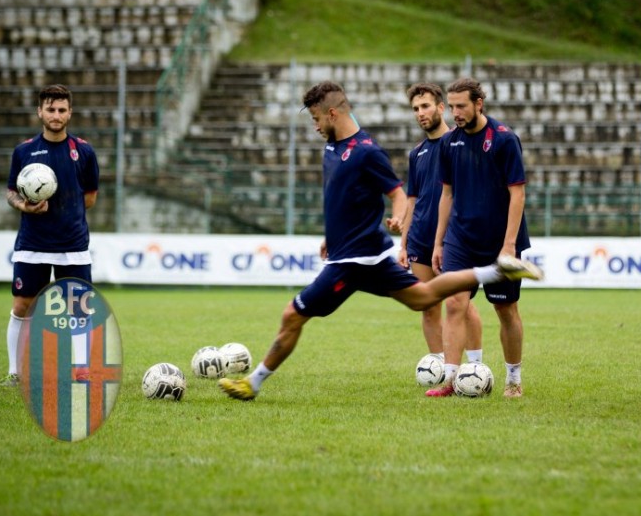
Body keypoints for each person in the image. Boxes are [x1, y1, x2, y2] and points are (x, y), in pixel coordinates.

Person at [218, 81, 543, 401]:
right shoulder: (336, 148)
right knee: (432, 300)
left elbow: (400, 194)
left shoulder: (369, 152)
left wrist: (403, 218)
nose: (315, 127)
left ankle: (253, 383)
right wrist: (335, 237)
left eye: (316, 119)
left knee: (293, 314)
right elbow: (347, 199)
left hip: (358, 260)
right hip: (386, 250)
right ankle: (483, 300)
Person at [427, 78, 532, 399]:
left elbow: (518, 193)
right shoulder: (449, 143)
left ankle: (513, 379)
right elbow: (446, 194)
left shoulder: (504, 140)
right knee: (455, 303)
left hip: (500, 241)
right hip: (461, 239)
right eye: (453, 106)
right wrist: (439, 242)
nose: (456, 112)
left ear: (478, 104)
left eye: (462, 106)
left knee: (506, 310)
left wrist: (510, 244)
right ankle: (451, 378)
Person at [0, 84, 100, 386]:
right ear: (39, 112)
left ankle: (81, 371)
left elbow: (90, 197)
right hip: (33, 244)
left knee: (79, 310)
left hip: (73, 245)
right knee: (22, 306)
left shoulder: (83, 152)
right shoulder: (24, 151)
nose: (56, 115)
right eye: (50, 109)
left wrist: (63, 214)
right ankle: (15, 373)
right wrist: (24, 206)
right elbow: (10, 192)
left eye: (61, 110)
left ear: (69, 113)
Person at [397, 83, 483, 362]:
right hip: (420, 237)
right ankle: (438, 363)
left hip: (452, 238)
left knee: (461, 303)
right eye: (415, 109)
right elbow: (412, 200)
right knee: (427, 305)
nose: (420, 113)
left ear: (441, 107)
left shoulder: (460, 143)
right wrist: (403, 242)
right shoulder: (417, 152)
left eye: (425, 106)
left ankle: (474, 367)